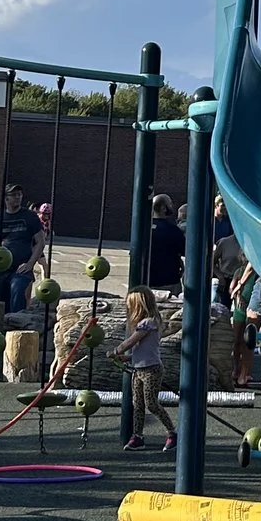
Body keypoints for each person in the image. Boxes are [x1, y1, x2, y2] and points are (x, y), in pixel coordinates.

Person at [112, 288, 174, 451]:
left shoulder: (148, 323)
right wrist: (125, 358)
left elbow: (131, 342)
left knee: (151, 403)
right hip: (138, 370)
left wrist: (117, 350)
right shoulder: (143, 324)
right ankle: (137, 436)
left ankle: (172, 433)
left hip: (151, 370)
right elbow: (139, 351)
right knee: (137, 404)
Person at [0, 184, 45, 315]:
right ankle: (1, 332)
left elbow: (40, 242)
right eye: (14, 195)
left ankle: (16, 329)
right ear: (6, 198)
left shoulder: (30, 217)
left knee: (18, 292)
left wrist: (30, 264)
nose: (18, 197)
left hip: (21, 268)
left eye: (19, 194)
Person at [209, 200, 246, 310]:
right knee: (223, 310)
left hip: (244, 281)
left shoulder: (249, 245)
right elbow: (211, 262)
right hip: (225, 281)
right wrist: (220, 276)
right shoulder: (224, 242)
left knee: (240, 312)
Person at [146, 193, 185, 292]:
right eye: (170, 204)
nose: (171, 206)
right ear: (163, 208)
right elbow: (184, 250)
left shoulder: (144, 228)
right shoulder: (173, 230)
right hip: (169, 281)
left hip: (146, 280)